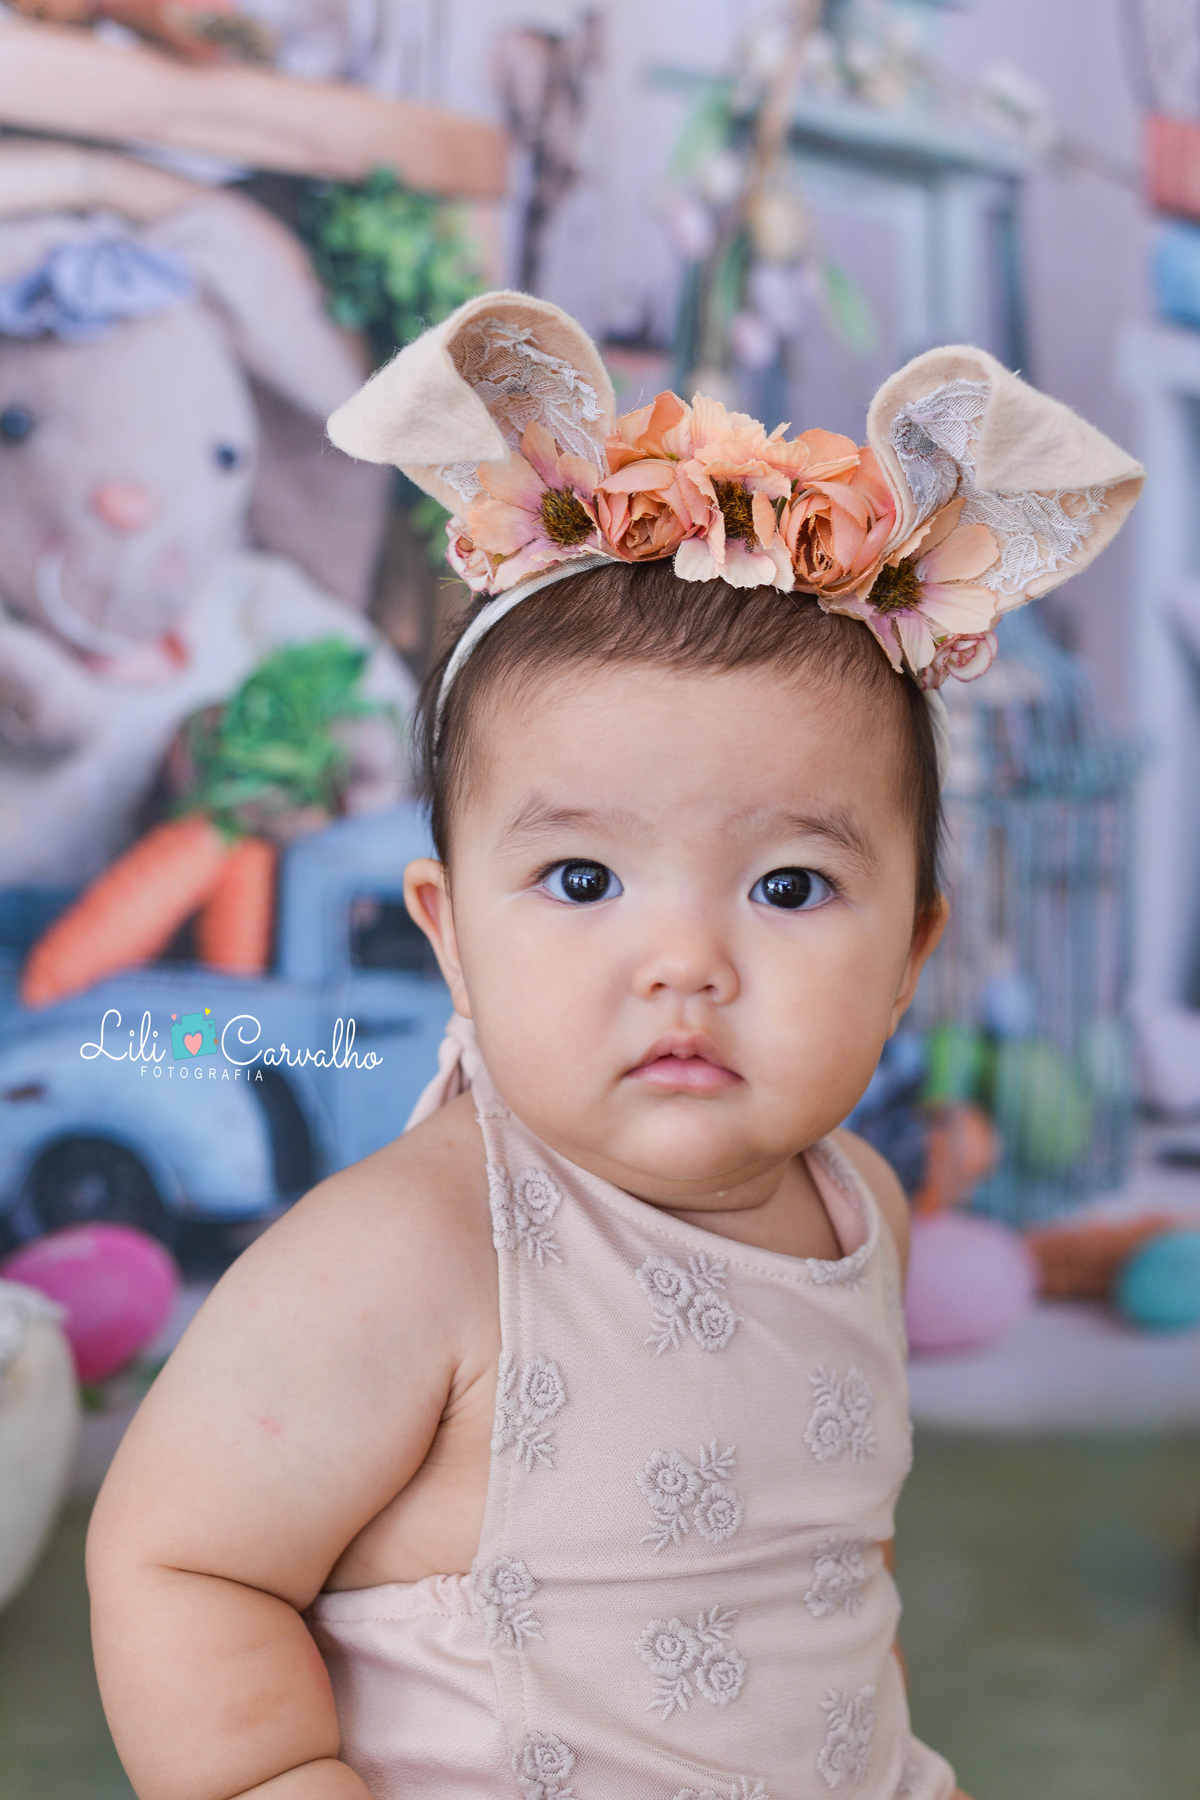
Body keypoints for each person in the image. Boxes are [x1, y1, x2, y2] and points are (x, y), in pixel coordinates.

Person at [86, 292, 1143, 1800]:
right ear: (451, 933)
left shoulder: (866, 1212)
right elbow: (180, 1556)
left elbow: (831, 1573)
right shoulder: (418, 1249)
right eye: (582, 881)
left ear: (913, 949)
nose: (687, 966)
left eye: (790, 886)